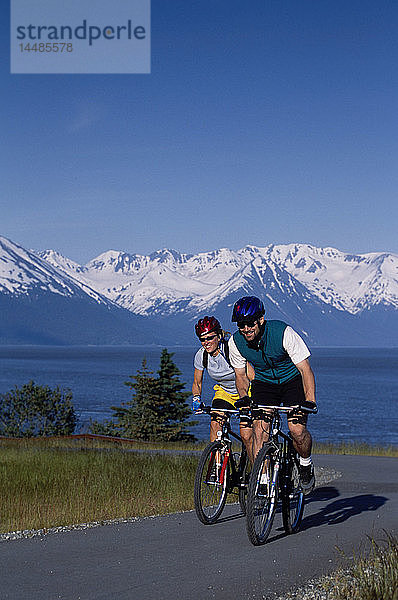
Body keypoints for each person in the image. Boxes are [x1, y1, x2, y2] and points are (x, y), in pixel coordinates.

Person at [228, 296, 317, 494]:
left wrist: (310, 400)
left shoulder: (283, 332)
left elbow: (305, 370)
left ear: (261, 320)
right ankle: (265, 480)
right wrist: (243, 398)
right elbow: (241, 376)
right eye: (241, 324)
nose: (245, 329)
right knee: (260, 430)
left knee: (297, 431)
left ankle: (305, 464)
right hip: (264, 383)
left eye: (250, 323)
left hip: (292, 381)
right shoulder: (235, 342)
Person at [191, 316, 253, 449]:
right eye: (202, 339)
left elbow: (251, 375)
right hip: (225, 392)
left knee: (246, 434)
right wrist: (196, 398)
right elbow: (197, 382)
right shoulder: (201, 355)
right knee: (215, 424)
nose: (206, 342)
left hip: (246, 391)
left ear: (219, 336)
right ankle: (217, 467)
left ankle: (256, 467)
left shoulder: (231, 350)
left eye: (210, 338)